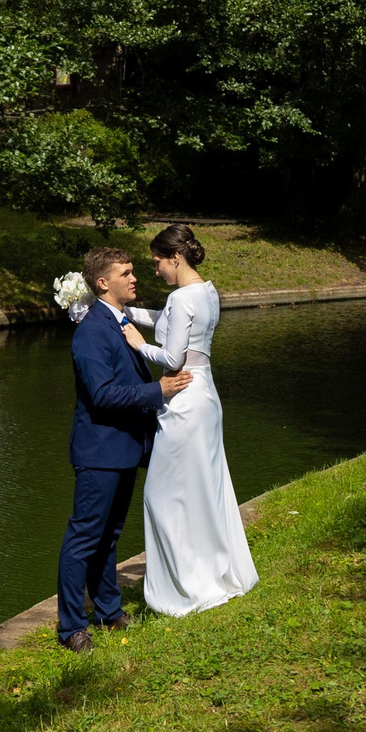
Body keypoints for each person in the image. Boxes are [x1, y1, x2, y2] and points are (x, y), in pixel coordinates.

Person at [120, 224, 258, 615]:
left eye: (157, 262)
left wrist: (138, 344)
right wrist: (122, 311)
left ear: (174, 257)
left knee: (161, 495)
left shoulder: (182, 297)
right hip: (205, 396)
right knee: (202, 487)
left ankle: (187, 584)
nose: (155, 270)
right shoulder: (206, 291)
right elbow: (166, 319)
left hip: (183, 399)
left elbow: (174, 357)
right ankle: (211, 570)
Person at [61, 245, 193, 652]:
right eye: (126, 273)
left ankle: (109, 612)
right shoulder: (91, 332)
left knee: (110, 535)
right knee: (83, 538)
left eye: (134, 271)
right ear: (103, 283)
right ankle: (71, 629)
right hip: (99, 451)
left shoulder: (117, 322)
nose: (135, 278)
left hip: (123, 450)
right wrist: (158, 389)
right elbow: (100, 395)